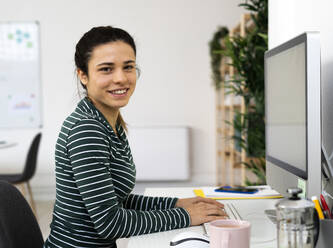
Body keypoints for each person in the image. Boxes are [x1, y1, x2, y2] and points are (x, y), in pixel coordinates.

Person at [43, 26, 227, 248]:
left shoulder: (109, 123)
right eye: (106, 69)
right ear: (83, 75)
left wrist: (177, 204)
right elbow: (111, 223)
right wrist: (186, 216)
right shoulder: (86, 130)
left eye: (128, 67)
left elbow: (115, 200)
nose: (121, 78)